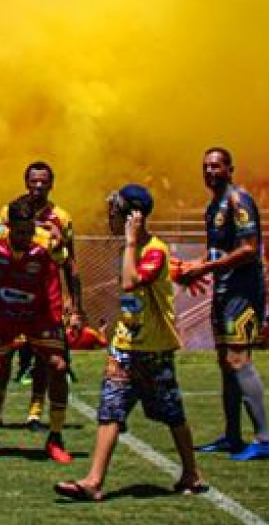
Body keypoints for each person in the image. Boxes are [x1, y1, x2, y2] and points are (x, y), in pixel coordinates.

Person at [53, 184, 206, 503]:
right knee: (110, 410)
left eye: (114, 210)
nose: (109, 215)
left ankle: (191, 472)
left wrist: (133, 241)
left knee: (172, 413)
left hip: (154, 349)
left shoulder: (150, 249)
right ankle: (94, 481)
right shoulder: (130, 248)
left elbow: (130, 281)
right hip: (124, 347)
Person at [173, 147, 269, 461]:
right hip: (223, 290)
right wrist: (193, 268)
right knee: (225, 363)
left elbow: (249, 249)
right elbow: (218, 252)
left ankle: (264, 439)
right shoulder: (212, 206)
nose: (209, 171)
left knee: (239, 360)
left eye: (216, 166)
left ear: (230, 169)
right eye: (205, 166)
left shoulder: (238, 200)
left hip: (243, 291)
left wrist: (204, 269)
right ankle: (232, 435)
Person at [0, 196, 75, 464]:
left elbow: (67, 265)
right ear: (9, 227)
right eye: (20, 232)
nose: (25, 236)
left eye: (29, 230)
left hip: (38, 317)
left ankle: (55, 438)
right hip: (1, 317)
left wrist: (73, 306)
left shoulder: (45, 241)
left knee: (58, 367)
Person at [19, 161, 80, 428]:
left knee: (47, 358)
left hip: (46, 299)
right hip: (13, 296)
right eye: (34, 181)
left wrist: (76, 306)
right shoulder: (13, 211)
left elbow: (71, 265)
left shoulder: (61, 218)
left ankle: (35, 411)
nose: (38, 186)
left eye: (44, 181)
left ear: (51, 184)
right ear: (26, 183)